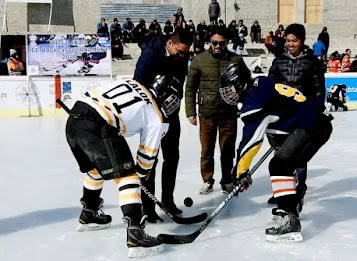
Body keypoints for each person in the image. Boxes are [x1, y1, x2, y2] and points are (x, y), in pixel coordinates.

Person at [65, 75, 183, 258]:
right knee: (129, 177)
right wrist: (142, 174)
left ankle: (89, 213)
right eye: (172, 100)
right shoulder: (156, 116)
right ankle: (136, 234)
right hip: (98, 125)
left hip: (74, 119)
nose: (173, 106)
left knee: (95, 170)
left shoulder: (133, 82)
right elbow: (146, 160)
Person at [219, 62, 333, 242]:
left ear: (240, 84)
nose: (229, 94)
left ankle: (290, 220)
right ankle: (289, 208)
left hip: (312, 125)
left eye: (230, 89)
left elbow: (251, 141)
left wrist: (240, 172)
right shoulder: (260, 84)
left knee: (280, 165)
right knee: (285, 164)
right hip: (313, 121)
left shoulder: (254, 101)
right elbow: (280, 114)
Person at [134, 30, 193, 223]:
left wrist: (173, 98)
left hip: (171, 114)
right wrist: (156, 98)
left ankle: (168, 200)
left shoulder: (182, 56)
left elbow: (180, 81)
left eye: (186, 53)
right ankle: (148, 208)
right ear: (169, 43)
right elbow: (137, 85)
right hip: (151, 116)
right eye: (180, 52)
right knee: (150, 160)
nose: (183, 57)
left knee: (172, 157)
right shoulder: (151, 53)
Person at [267, 23, 325, 205]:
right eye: (288, 40)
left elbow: (318, 90)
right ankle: (283, 192)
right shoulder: (278, 61)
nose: (291, 44)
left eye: (295, 40)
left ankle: (299, 190)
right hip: (281, 115)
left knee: (297, 154)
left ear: (302, 41)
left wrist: (315, 110)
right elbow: (269, 87)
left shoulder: (312, 62)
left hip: (302, 115)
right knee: (281, 155)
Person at [185, 27, 243, 195]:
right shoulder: (199, 60)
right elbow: (190, 87)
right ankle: (207, 179)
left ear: (227, 43)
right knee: (206, 151)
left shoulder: (236, 60)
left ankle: (227, 180)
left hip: (228, 114)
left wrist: (239, 94)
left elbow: (246, 82)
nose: (218, 46)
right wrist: (190, 111)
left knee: (227, 151)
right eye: (214, 43)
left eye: (221, 43)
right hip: (207, 114)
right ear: (210, 42)